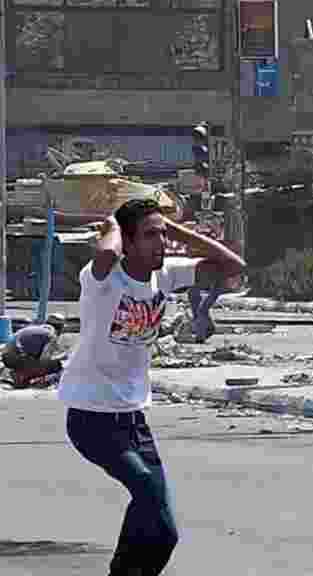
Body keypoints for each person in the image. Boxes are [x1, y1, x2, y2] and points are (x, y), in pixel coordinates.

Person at [58, 198, 245, 575]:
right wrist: (113, 223)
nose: (160, 243)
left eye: (162, 235)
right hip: (90, 416)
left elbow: (233, 267)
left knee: (164, 531)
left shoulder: (167, 275)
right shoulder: (102, 280)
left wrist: (176, 230)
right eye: (149, 236)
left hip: (133, 420)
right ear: (127, 242)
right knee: (144, 487)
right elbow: (107, 254)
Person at [2, 313, 66, 389]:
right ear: (61, 329)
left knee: (35, 359)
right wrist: (61, 357)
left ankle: (21, 376)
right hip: (16, 357)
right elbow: (44, 360)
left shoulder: (35, 328)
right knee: (56, 365)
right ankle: (19, 376)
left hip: (7, 356)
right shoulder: (51, 335)